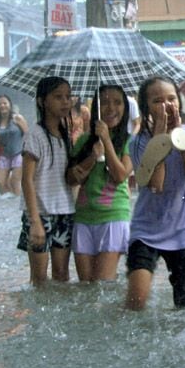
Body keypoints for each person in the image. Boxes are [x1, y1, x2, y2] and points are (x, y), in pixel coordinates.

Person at [125, 76, 185, 310]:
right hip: (146, 230)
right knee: (136, 302)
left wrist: (179, 140)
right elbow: (155, 185)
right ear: (146, 107)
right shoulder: (138, 142)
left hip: (182, 231)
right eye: (157, 101)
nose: (166, 105)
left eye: (171, 99)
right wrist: (160, 137)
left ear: (179, 103)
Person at [67, 85, 133, 282]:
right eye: (104, 102)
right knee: (86, 287)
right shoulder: (84, 141)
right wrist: (92, 158)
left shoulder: (129, 141)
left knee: (102, 285)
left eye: (117, 102)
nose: (111, 107)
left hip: (113, 217)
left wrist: (106, 139)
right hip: (84, 218)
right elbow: (70, 179)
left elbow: (121, 175)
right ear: (96, 107)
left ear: (125, 108)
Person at [18, 77, 75, 286]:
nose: (65, 102)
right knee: (39, 279)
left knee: (62, 275)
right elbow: (26, 180)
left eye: (68, 97)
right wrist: (34, 221)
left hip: (64, 211)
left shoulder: (66, 135)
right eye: (58, 97)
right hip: (39, 213)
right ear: (42, 101)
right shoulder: (34, 135)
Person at [0, 94, 29, 198]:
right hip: (5, 155)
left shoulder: (17, 118)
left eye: (5, 103)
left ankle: (18, 207)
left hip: (19, 153)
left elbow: (28, 135)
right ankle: (10, 202)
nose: (2, 105)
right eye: (0, 104)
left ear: (10, 105)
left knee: (15, 181)